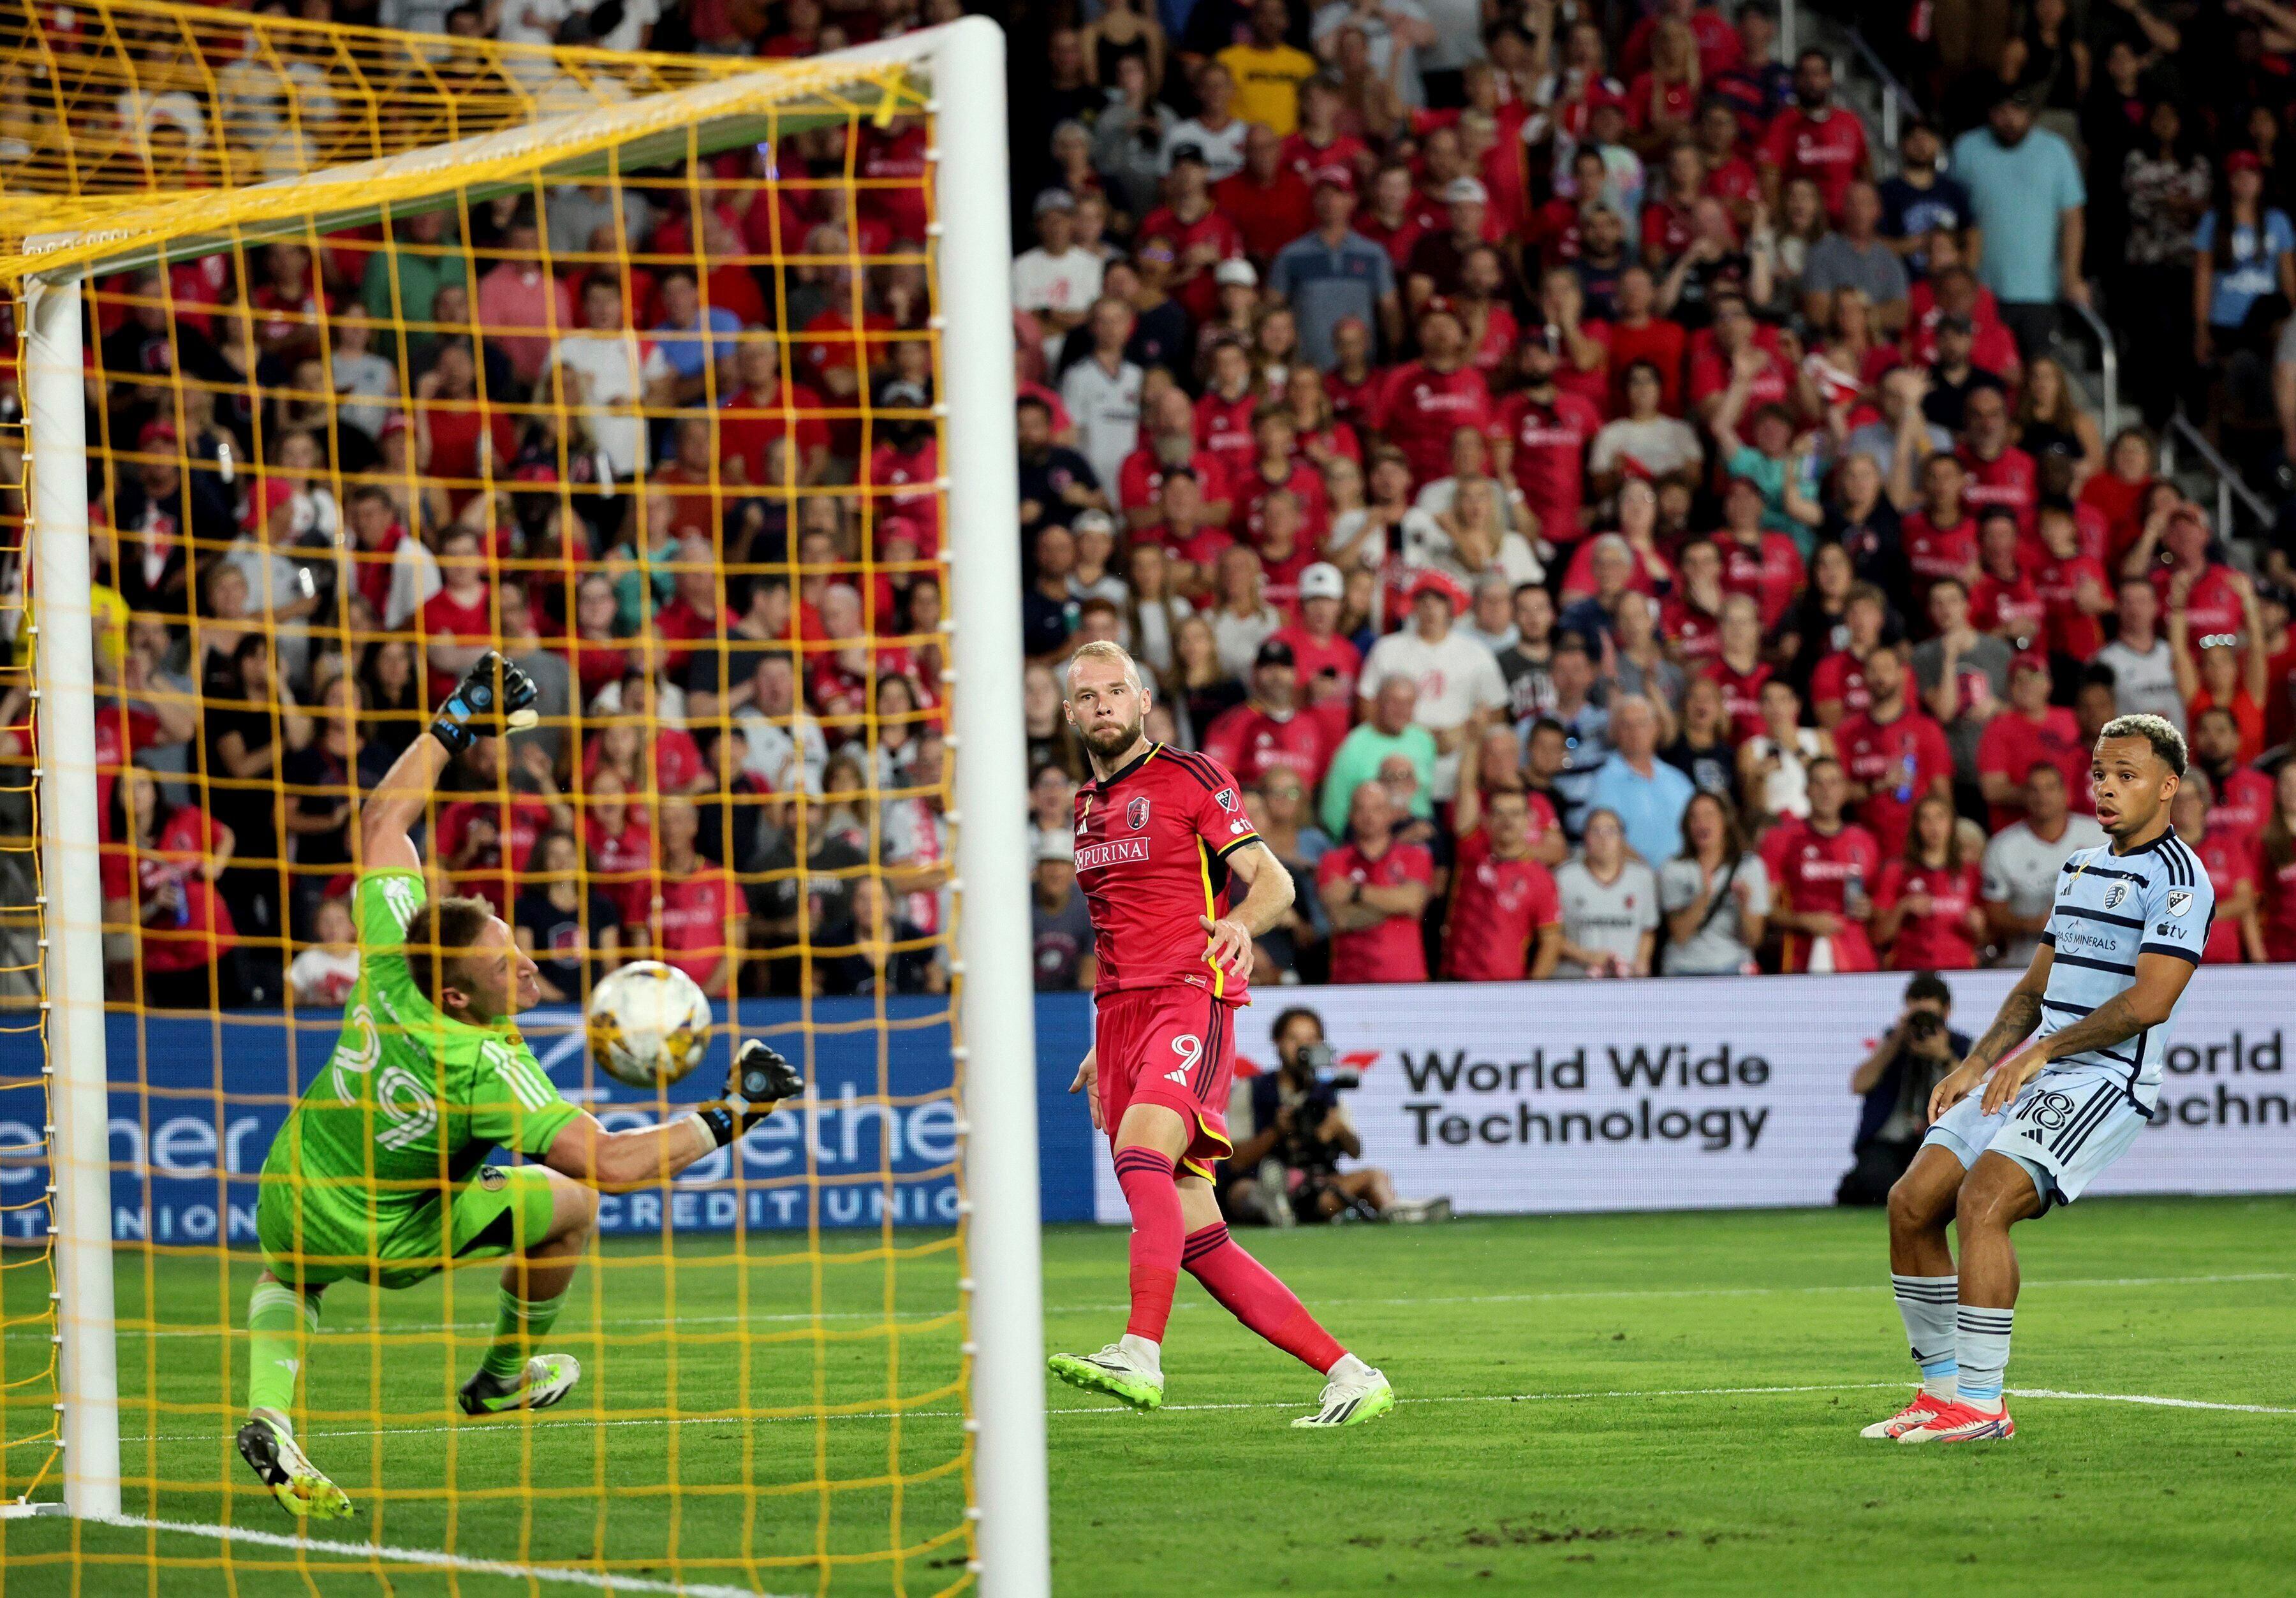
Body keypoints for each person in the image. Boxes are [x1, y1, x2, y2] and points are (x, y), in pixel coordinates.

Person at [235, 655, 804, 1518]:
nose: (529, 961)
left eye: (515, 938)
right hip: (387, 1237)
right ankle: (502, 1379)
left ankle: (270, 1411)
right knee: (573, 1205)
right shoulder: (487, 1065)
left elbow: (385, 816)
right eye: (507, 964)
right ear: (460, 995)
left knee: (291, 1272)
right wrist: (734, 1110)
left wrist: (458, 716)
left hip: (289, 1188)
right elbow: (611, 1164)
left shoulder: (395, 949)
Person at [1050, 640, 1391, 1426]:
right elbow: (1113, 932)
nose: (1103, 704)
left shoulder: (1192, 776)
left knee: (1142, 1155)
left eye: (1115, 691)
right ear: (1072, 715)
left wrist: (1239, 926)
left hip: (1188, 996)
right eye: (1087, 696)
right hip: (1122, 1014)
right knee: (1200, 1235)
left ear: (1142, 702)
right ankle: (1351, 1373)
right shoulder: (1084, 808)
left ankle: (1141, 1350)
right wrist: (1105, 1043)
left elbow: (1275, 880)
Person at [1874, 714, 2212, 1444]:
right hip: (2038, 1063)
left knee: (1983, 1200)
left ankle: (1985, 1405)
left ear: (2168, 786)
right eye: (2100, 772)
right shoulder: (2082, 867)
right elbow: (2034, 987)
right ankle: (1940, 1395)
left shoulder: (2182, 881)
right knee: (1910, 1201)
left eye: (2126, 774)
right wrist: (1976, 1060)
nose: (2107, 787)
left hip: (2104, 1078)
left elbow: (2150, 1001)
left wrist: (2043, 1053)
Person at [1224, 1006, 1408, 1226]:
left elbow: (1355, 1152)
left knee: (1374, 1177)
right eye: (1294, 1038)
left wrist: (1337, 1128)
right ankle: (1276, 1207)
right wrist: (1276, 1132)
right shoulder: (1250, 1090)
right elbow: (1235, 1161)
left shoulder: (1328, 1093)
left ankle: (1400, 1215)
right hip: (1260, 1181)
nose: (1303, 1047)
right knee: (1244, 1193)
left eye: (1311, 1039)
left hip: (1316, 1191)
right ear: (1278, 1043)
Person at [1948, 89, 2088, 358]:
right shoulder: (1967, 148)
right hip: (1979, 290)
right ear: (1990, 113)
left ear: (2031, 114)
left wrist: (2071, 276)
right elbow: (1952, 216)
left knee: (2036, 374)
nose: (2010, 120)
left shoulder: (2055, 150)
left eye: (2018, 111)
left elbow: (2073, 219)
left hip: (2039, 291)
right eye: (2002, 111)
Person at [1839, 973, 1969, 1207]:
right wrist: (1896, 1041)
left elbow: (1976, 1094)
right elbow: (1859, 1084)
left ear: (1947, 1012)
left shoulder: (1959, 1046)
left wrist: (1944, 1057)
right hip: (1889, 1144)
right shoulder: (1893, 1044)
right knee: (1875, 1183)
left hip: (1939, 1140)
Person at [1761, 755, 1882, 973]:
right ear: (1806, 791)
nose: (1826, 791)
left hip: (1856, 959)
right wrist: (1803, 921)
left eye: (1834, 783)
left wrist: (1869, 909)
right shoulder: (1782, 838)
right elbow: (1764, 907)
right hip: (1800, 957)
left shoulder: (1864, 841)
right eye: (1818, 783)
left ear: (1845, 791)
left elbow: (1879, 908)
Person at [1980, 764, 2107, 969]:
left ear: (2066, 793)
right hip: (2028, 964)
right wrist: (2033, 924)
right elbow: (1994, 912)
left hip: (2096, 960)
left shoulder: (2100, 836)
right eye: (2034, 789)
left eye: (2050, 788)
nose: (2042, 796)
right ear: (2024, 795)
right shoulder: (2003, 847)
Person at [1317, 779, 1435, 983]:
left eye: (1377, 809)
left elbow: (1413, 903)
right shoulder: (1332, 860)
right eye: (1361, 809)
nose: (1369, 816)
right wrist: (1394, 904)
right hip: (1349, 978)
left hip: (1405, 977)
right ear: (1350, 815)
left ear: (1391, 813)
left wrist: (1355, 893)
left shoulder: (1416, 855)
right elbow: (1341, 919)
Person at [1873, 793, 1987, 972]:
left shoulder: (1971, 872)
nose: (1934, 826)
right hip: (1909, 970)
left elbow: (1988, 938)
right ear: (1916, 826)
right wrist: (1903, 907)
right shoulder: (1897, 871)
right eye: (1926, 819)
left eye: (1940, 817)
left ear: (1951, 825)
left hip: (1961, 971)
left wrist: (1977, 927)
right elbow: (1878, 936)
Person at [1658, 790, 1768, 976]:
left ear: (1725, 821)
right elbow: (1680, 934)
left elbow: (1754, 939)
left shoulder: (1749, 866)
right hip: (1684, 967)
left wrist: (1744, 907)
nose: (1701, 823)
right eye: (1694, 817)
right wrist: (1704, 898)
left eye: (1709, 815)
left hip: (1733, 964)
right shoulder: (1674, 868)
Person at [1550, 807, 1661, 978]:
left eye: (1611, 831)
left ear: (1623, 839)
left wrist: (1641, 961)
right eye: (1595, 831)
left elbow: (1648, 930)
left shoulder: (1642, 877)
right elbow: (1551, 935)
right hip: (1576, 979)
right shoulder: (1565, 877)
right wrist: (1588, 957)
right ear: (1585, 838)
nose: (1603, 838)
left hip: (1627, 981)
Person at [1586, 694, 1694, 868]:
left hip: (1684, 879)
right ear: (1615, 733)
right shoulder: (1605, 781)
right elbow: (1605, 840)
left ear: (1656, 729)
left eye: (1642, 724)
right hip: (1634, 882)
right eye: (1626, 725)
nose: (1635, 732)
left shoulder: (1678, 780)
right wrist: (1648, 876)